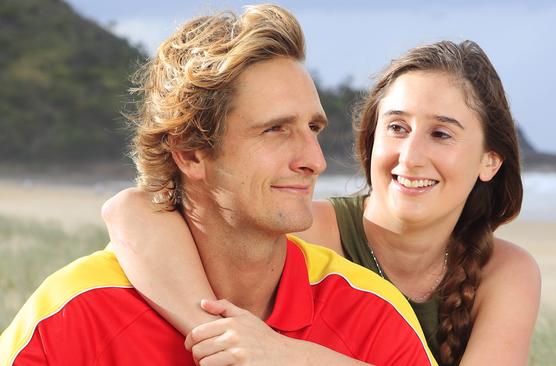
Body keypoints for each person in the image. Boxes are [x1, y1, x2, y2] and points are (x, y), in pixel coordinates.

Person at [0, 5, 435, 366]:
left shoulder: (371, 314)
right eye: (275, 130)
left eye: (313, 128)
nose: (314, 161)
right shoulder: (76, 313)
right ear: (191, 153)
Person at [102, 40, 541, 365]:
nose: (410, 156)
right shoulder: (305, 227)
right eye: (396, 128)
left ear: (490, 160)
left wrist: (286, 355)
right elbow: (130, 211)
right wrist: (218, 336)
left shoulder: (504, 272)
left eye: (441, 134)